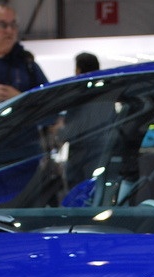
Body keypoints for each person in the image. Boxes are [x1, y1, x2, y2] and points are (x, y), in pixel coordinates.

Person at [54, 52, 109, 188]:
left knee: (80, 192)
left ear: (78, 70)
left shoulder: (79, 95)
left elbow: (75, 128)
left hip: (82, 156)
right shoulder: (107, 93)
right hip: (102, 152)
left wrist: (59, 133)